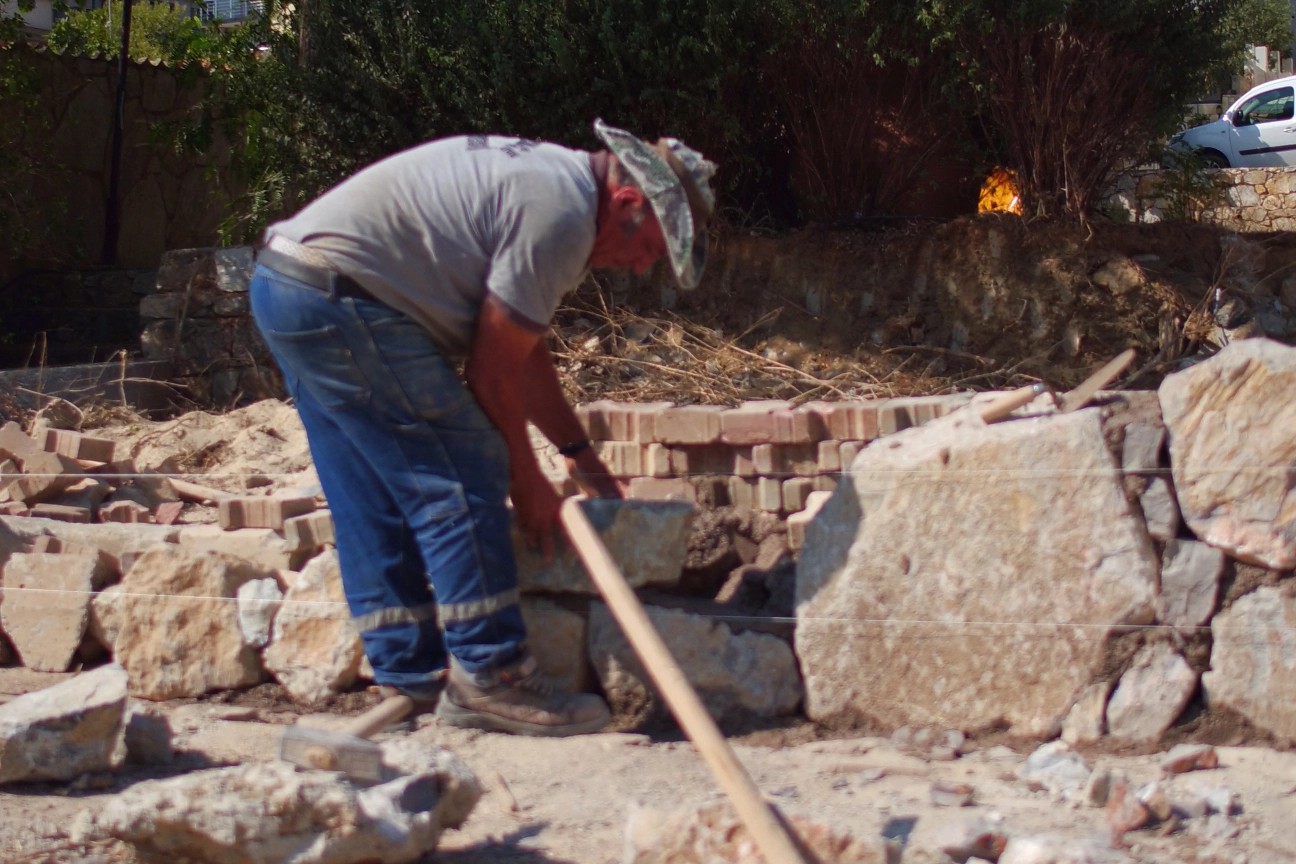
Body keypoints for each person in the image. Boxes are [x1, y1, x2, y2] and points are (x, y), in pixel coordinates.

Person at [249, 119, 716, 736]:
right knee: (465, 467)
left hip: (287, 287)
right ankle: (494, 676)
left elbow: (522, 351)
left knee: (373, 488)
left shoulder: (554, 185)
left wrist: (577, 455)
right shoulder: (562, 214)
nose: (637, 268)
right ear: (629, 203)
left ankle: (405, 679)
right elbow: (492, 374)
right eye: (652, 249)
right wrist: (524, 478)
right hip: (346, 300)